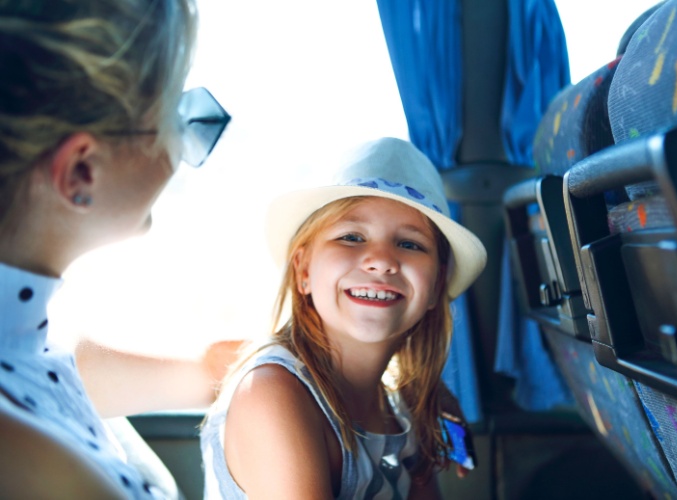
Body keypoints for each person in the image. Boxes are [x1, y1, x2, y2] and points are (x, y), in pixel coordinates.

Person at [0, 1, 233, 497]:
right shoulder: (24, 458)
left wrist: (249, 370)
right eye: (173, 114)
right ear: (81, 171)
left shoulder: (37, 340)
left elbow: (78, 372)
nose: (182, 152)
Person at [201, 137, 488, 499]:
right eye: (352, 237)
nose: (381, 259)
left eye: (410, 244)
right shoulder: (273, 394)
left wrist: (427, 395)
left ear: (435, 287)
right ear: (303, 270)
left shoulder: (399, 409)